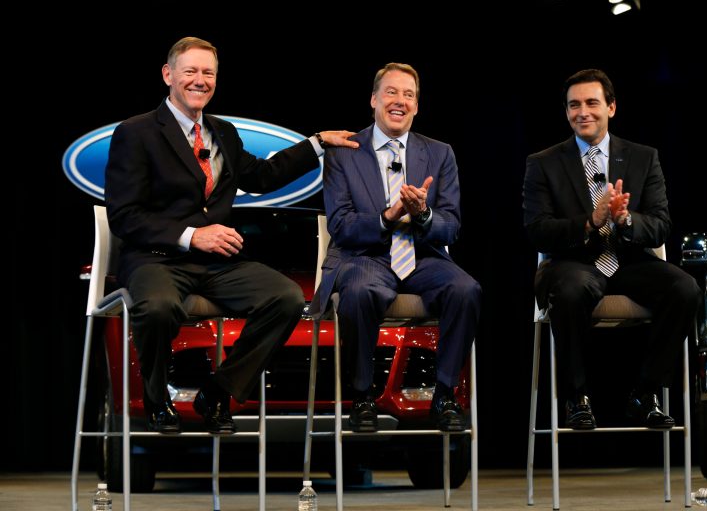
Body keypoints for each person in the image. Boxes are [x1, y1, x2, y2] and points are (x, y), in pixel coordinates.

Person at [105, 36, 358, 435]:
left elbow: (262, 176)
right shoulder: (135, 133)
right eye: (190, 71)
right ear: (168, 75)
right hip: (157, 258)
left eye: (208, 73)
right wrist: (192, 235)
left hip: (215, 263)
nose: (199, 80)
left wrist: (317, 143)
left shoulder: (223, 132)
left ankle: (218, 392)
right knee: (156, 308)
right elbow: (125, 215)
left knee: (286, 297)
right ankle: (157, 399)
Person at [522, 68, 699, 430]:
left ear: (612, 107)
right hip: (572, 262)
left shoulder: (643, 157)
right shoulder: (543, 163)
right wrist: (590, 221)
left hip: (628, 259)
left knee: (686, 289)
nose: (582, 112)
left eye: (592, 103)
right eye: (574, 105)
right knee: (571, 290)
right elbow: (538, 231)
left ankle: (646, 392)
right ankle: (577, 398)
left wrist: (625, 220)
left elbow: (661, 224)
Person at [309, 62, 481, 432]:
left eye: (408, 95)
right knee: (359, 292)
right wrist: (389, 216)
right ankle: (362, 397)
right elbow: (340, 226)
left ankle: (445, 395)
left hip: (422, 256)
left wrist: (421, 215)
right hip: (365, 257)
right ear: (373, 99)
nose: (399, 101)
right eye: (391, 92)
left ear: (417, 106)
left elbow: (450, 228)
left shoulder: (440, 153)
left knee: (466, 289)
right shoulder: (344, 152)